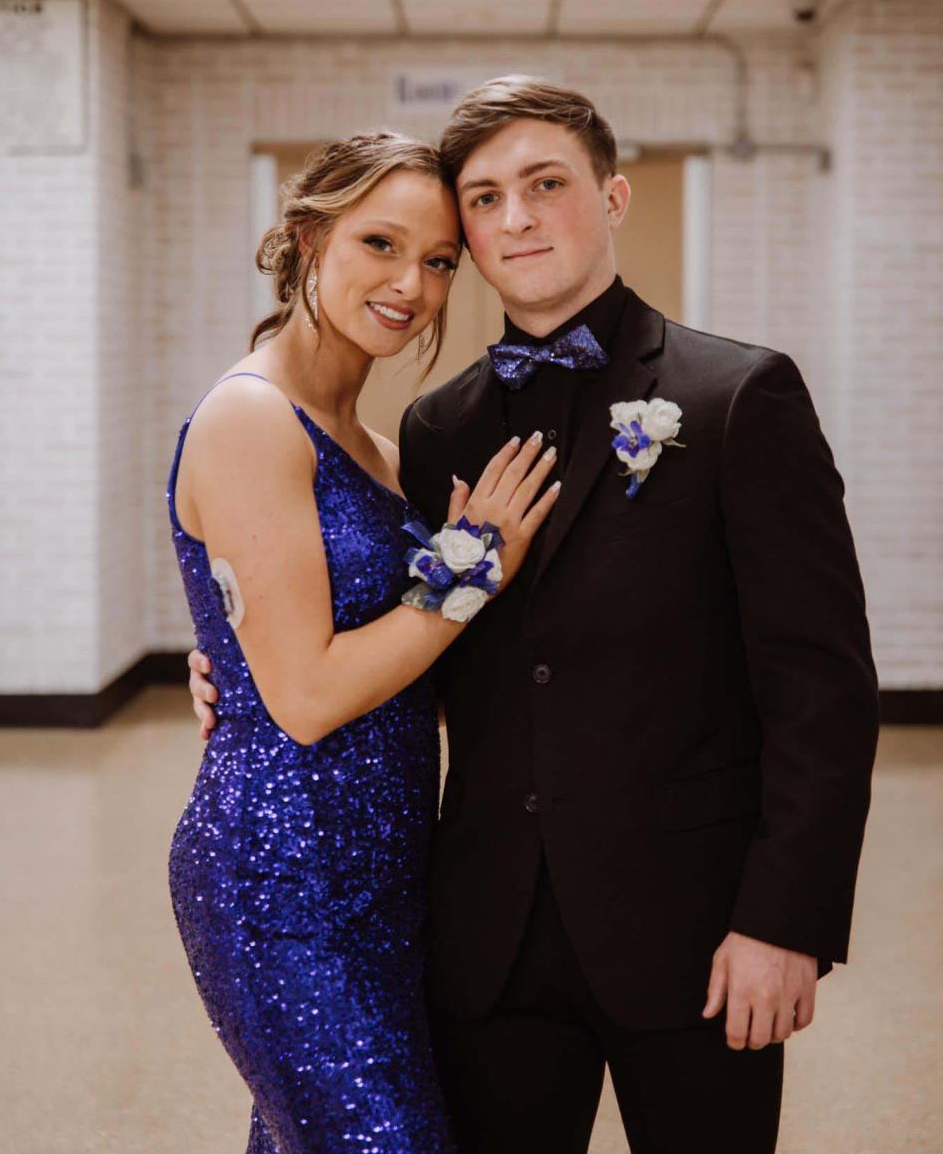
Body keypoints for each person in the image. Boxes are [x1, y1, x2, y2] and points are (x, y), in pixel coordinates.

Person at [189, 80, 880, 1154]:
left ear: (609, 196)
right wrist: (228, 661)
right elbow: (378, 617)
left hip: (696, 932)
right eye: (487, 197)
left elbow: (823, 690)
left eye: (545, 184)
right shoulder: (432, 426)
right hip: (481, 935)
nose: (516, 217)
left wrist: (784, 920)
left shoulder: (740, 394)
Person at [166, 130, 560, 1154]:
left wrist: (215, 647)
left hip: (385, 868)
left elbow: (293, 612)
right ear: (307, 238)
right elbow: (303, 695)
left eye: (436, 261)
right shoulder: (253, 416)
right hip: (282, 873)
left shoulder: (379, 447)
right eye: (380, 243)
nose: (412, 285)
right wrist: (475, 569)